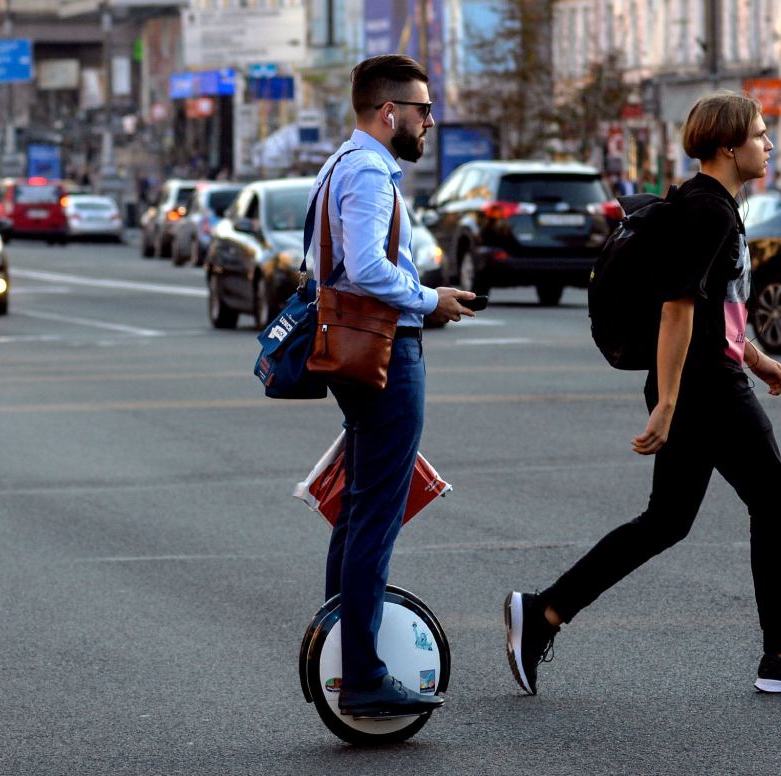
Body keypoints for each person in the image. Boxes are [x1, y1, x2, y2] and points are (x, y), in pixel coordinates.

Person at [504, 91, 781, 697]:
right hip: (703, 386)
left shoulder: (710, 203)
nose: (769, 145)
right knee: (776, 502)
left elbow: (713, 306)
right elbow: (676, 309)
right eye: (759, 134)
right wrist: (668, 402)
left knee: (667, 520)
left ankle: (542, 613)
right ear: (728, 146)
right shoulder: (710, 211)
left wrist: (756, 355)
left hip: (705, 376)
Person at [306, 55, 476, 720]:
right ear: (389, 113)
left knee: (358, 514)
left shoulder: (337, 166)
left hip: (356, 350)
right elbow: (368, 265)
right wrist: (430, 299)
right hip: (385, 353)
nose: (429, 121)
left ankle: (340, 652)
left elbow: (320, 261)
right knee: (376, 516)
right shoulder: (372, 171)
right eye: (422, 110)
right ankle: (364, 674)